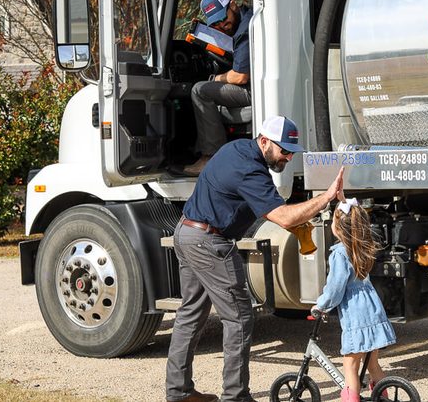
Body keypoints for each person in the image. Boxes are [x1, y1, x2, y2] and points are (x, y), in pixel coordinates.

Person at [166, 115, 345, 402]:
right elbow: (284, 217)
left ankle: (179, 393)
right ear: (264, 142)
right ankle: (235, 396)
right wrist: (327, 197)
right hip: (208, 242)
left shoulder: (238, 149)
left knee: (190, 315)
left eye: (291, 152)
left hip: (187, 232)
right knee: (238, 318)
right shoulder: (250, 169)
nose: (287, 157)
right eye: (283, 150)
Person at [311, 198, 397, 402]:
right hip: (372, 307)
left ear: (338, 228)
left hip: (356, 314)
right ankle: (382, 397)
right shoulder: (362, 247)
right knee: (372, 364)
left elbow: (335, 288)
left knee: (350, 365)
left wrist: (321, 305)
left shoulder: (339, 253)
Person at [183, 0, 253, 176]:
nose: (223, 25)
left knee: (200, 90)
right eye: (215, 24)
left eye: (224, 18)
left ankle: (211, 157)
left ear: (232, 5)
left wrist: (216, 78)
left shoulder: (244, 30)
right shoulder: (244, 20)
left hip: (252, 91)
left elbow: (240, 77)